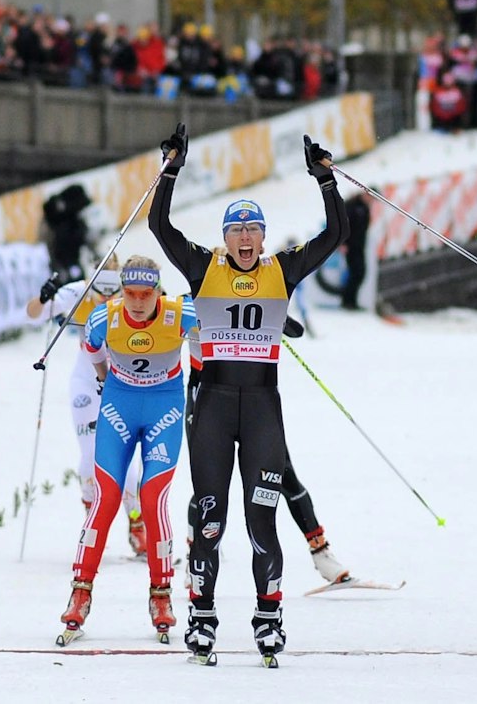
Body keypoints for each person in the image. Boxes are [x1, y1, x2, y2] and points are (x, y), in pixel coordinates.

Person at [147, 122, 348, 664]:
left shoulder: (281, 269)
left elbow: (334, 235)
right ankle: (203, 615)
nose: (243, 239)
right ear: (225, 237)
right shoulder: (202, 266)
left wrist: (325, 180)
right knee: (209, 518)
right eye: (234, 230)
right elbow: (158, 224)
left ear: (262, 237)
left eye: (251, 231)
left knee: (263, 519)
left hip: (262, 408)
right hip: (211, 405)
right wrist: (171, 169)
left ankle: (268, 616)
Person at [58, 257, 197, 644]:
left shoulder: (180, 313)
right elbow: (92, 353)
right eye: (130, 294)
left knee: (152, 497)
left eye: (146, 294)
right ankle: (80, 594)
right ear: (120, 291)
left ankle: (162, 596)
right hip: (119, 407)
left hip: (164, 408)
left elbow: (210, 325)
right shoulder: (104, 317)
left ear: (158, 291)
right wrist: (108, 383)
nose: (137, 302)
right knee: (106, 498)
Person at [26, 258, 128, 523]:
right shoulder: (77, 292)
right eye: (99, 293)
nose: (105, 300)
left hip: (123, 383)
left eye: (112, 293)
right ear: (90, 284)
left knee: (129, 463)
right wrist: (42, 297)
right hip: (86, 381)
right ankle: (91, 518)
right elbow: (33, 314)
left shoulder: (133, 292)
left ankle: (136, 523)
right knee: (91, 455)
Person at [335, 191, 371, 311]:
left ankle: (351, 300)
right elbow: (344, 224)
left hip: (359, 246)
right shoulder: (352, 205)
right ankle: (348, 301)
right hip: (350, 246)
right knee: (355, 273)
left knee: (360, 273)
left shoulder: (365, 208)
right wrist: (343, 243)